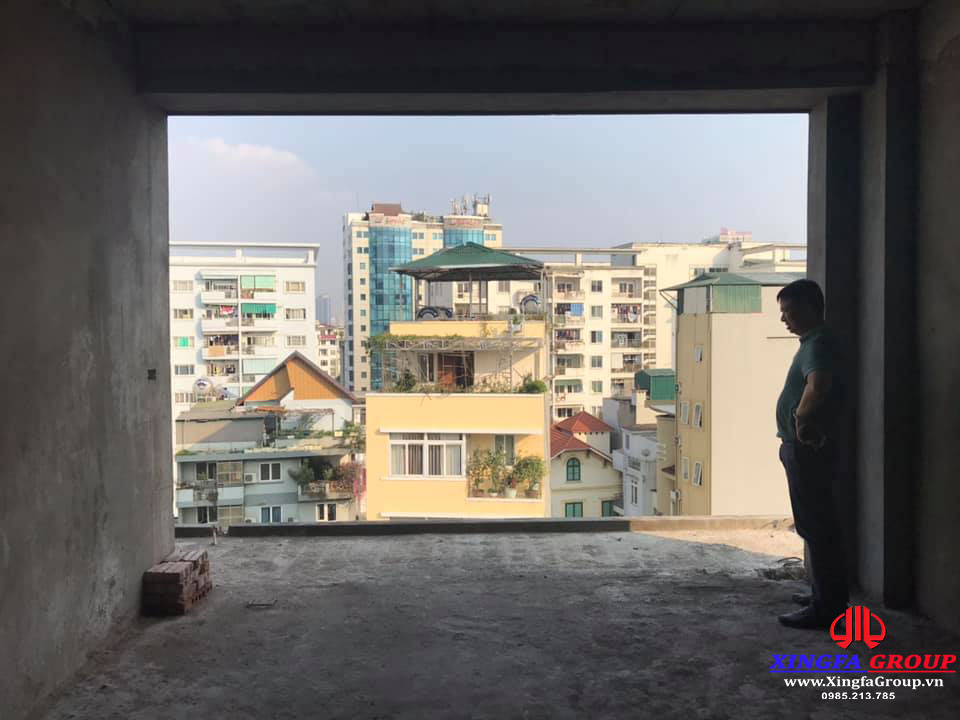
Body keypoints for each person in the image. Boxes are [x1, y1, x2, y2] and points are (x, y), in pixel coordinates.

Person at [774, 279, 849, 630]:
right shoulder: (814, 342)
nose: (784, 319)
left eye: (789, 311)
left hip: (807, 449)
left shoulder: (818, 344)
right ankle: (824, 595)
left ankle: (827, 608)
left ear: (808, 309)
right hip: (806, 448)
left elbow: (818, 385)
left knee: (817, 527)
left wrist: (801, 420)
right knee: (818, 525)